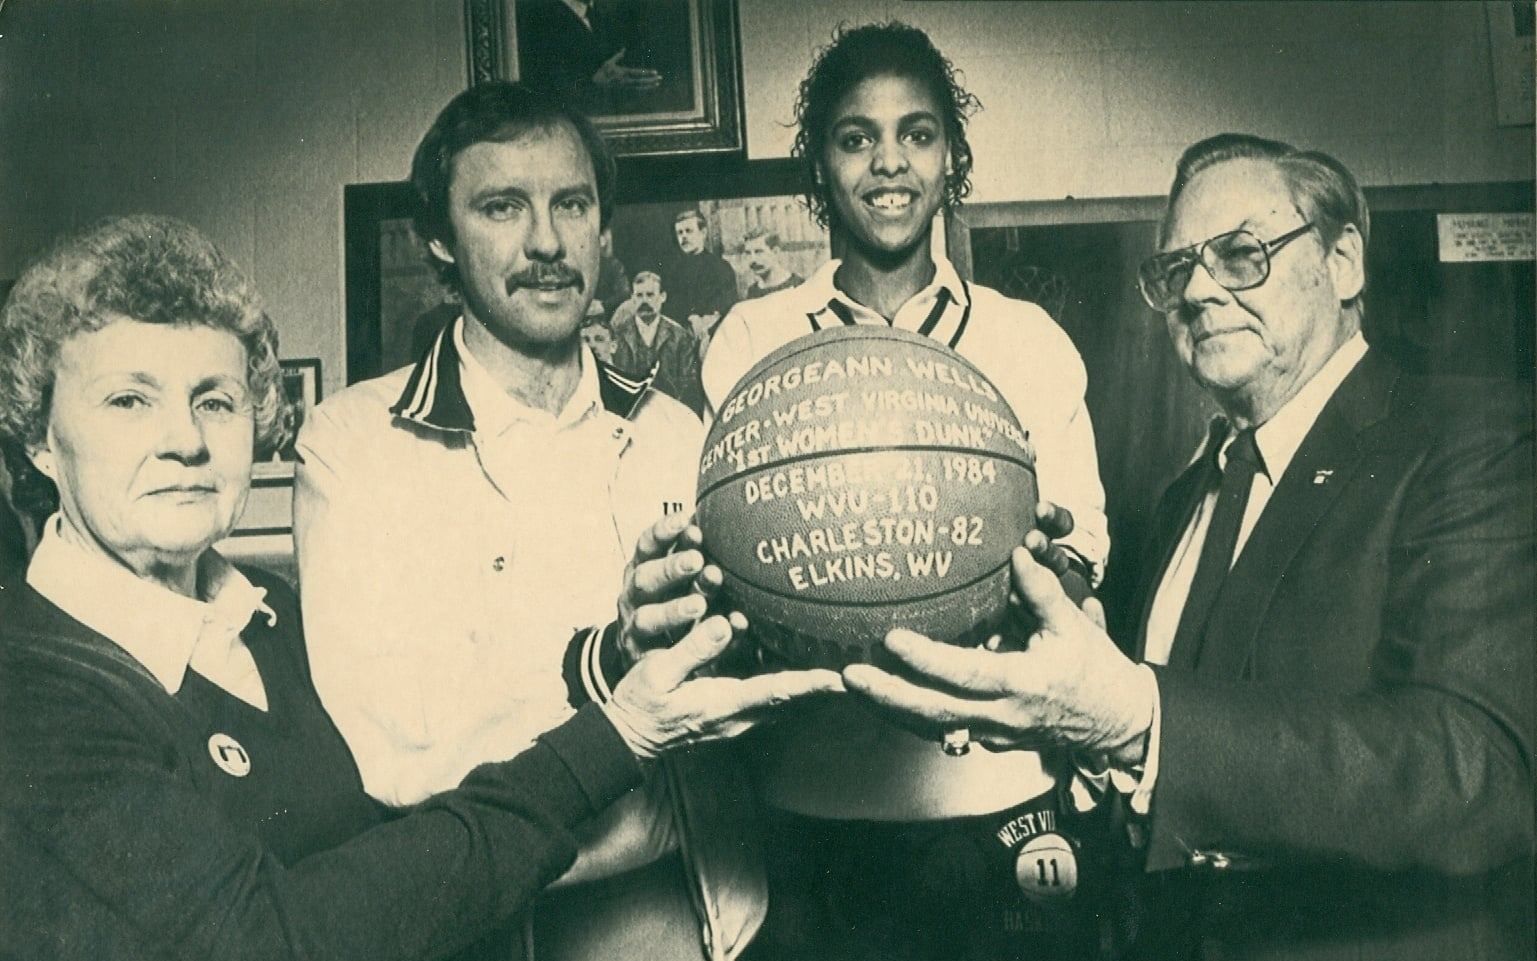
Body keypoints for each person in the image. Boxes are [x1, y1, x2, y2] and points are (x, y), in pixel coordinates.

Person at [0, 215, 840, 960]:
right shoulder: (30, 693)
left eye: (215, 401)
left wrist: (619, 652)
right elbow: (271, 939)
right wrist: (618, 736)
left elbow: (408, 824)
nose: (183, 439)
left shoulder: (265, 614)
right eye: (127, 401)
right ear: (40, 436)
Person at [843, 134, 1536, 961]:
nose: (1199, 291)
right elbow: (1163, 751)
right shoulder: (1183, 499)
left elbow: (1478, 773)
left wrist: (1132, 720)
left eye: (1241, 254)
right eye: (1176, 271)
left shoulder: (1472, 436)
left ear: (1343, 261)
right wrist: (1064, 721)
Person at [293, 83, 788, 961]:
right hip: (481, 925)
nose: (547, 242)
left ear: (603, 230)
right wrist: (610, 663)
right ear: (438, 240)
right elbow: (393, 743)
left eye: (571, 204)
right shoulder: (352, 444)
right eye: (501, 207)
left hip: (691, 916)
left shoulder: (676, 432)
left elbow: (738, 699)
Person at [698, 22, 1110, 960]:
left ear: (952, 158)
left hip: (997, 800)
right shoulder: (749, 339)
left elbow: (1086, 551)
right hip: (809, 804)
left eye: (917, 134)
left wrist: (1043, 578)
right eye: (856, 137)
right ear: (820, 166)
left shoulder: (1029, 339)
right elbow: (729, 563)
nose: (890, 163)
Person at [610, 271, 705, 415]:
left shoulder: (679, 336)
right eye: (639, 296)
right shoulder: (618, 334)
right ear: (632, 298)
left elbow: (688, 386)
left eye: (650, 295)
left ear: (662, 297)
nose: (644, 301)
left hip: (669, 415)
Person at [663, 208, 739, 346]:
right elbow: (669, 305)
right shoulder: (673, 271)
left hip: (715, 334)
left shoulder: (721, 267)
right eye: (680, 233)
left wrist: (706, 321)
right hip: (681, 336)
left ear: (703, 233)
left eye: (689, 231)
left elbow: (727, 302)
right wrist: (692, 318)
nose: (683, 237)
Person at [740, 228, 802, 300]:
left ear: (775, 252)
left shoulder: (798, 285)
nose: (752, 259)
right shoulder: (752, 292)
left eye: (759, 252)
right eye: (748, 253)